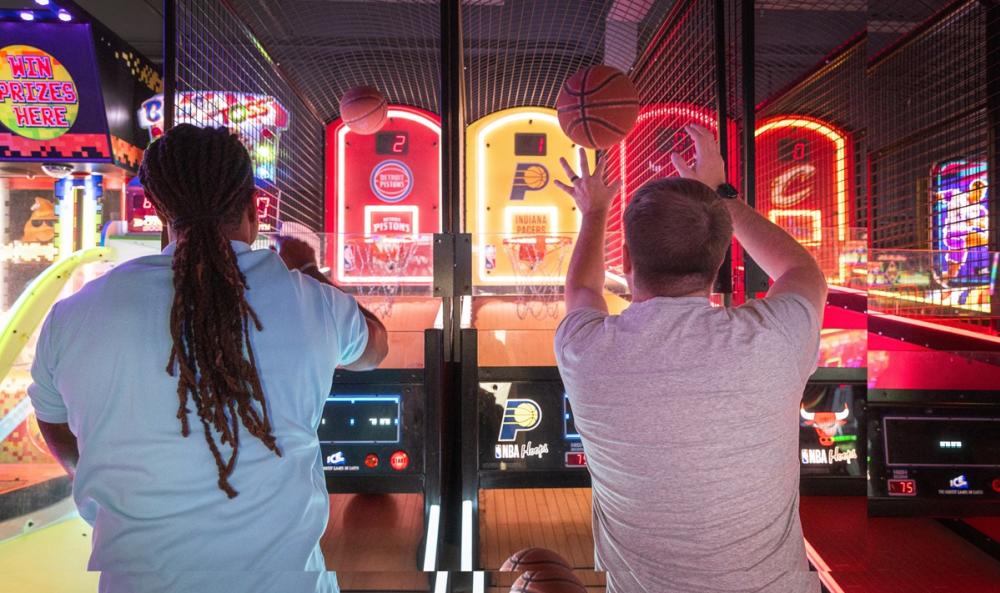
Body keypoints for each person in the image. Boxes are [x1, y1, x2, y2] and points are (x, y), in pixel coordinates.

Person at [28, 124, 388, 593]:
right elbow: (374, 349)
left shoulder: (73, 315)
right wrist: (309, 269)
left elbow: (53, 422)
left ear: (159, 210)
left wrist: (106, 467)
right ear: (253, 206)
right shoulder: (310, 301)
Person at [553, 124, 826, 593]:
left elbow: (581, 289)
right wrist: (723, 197)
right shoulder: (774, 339)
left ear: (626, 260)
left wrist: (593, 211)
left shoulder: (585, 350)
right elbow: (801, 270)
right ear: (719, 261)